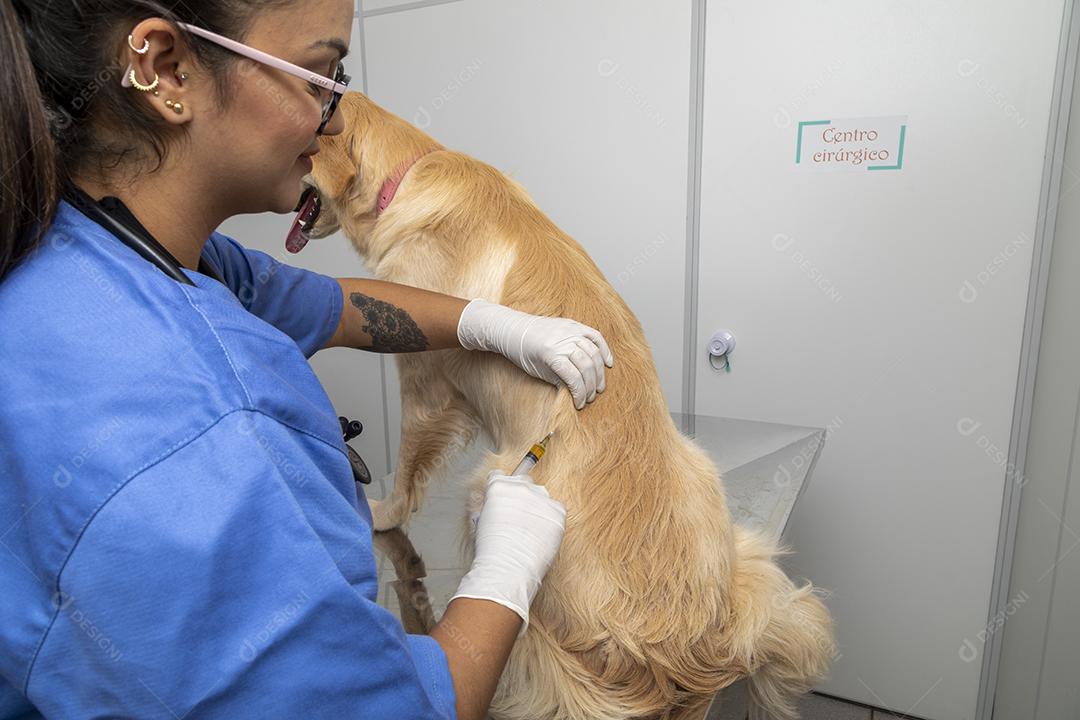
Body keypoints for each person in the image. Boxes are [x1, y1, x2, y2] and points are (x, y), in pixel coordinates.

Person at [0, 1, 613, 718]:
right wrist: (504, 573)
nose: (340, 122)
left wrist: (495, 323)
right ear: (166, 68)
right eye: (320, 75)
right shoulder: (208, 439)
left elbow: (333, 306)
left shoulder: (99, 242)